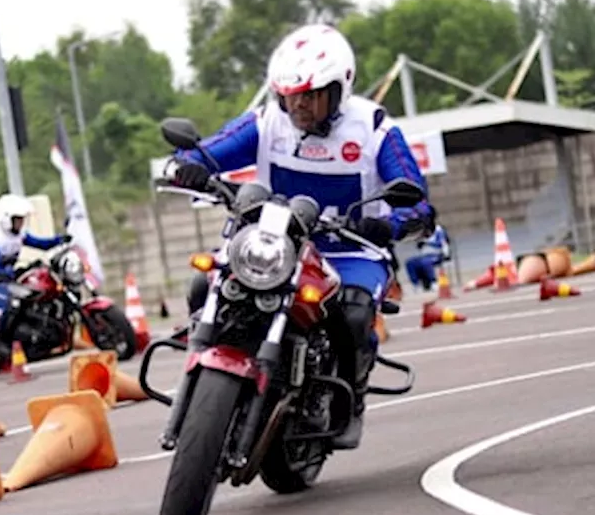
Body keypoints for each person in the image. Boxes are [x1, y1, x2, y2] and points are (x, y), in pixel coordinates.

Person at [167, 23, 436, 450]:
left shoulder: (375, 129)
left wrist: (391, 223)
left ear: (339, 89)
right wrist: (187, 165)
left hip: (350, 250)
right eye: (292, 95)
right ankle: (208, 372)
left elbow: (417, 200)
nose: (300, 106)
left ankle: (351, 399)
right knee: (205, 283)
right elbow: (207, 151)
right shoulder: (266, 122)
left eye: (311, 95)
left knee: (352, 312)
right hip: (274, 243)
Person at [0, 193, 73, 358]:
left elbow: (40, 244)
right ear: (6, 219)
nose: (21, 222)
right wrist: (11, 272)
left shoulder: (19, 235)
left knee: (29, 298)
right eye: (17, 219)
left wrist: (60, 240)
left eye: (22, 219)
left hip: (3, 282)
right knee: (13, 303)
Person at [403, 223, 451, 291]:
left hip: (438, 254)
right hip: (424, 255)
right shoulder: (422, 231)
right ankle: (416, 284)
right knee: (410, 263)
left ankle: (433, 282)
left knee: (425, 262)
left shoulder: (438, 231)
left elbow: (442, 244)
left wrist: (427, 243)